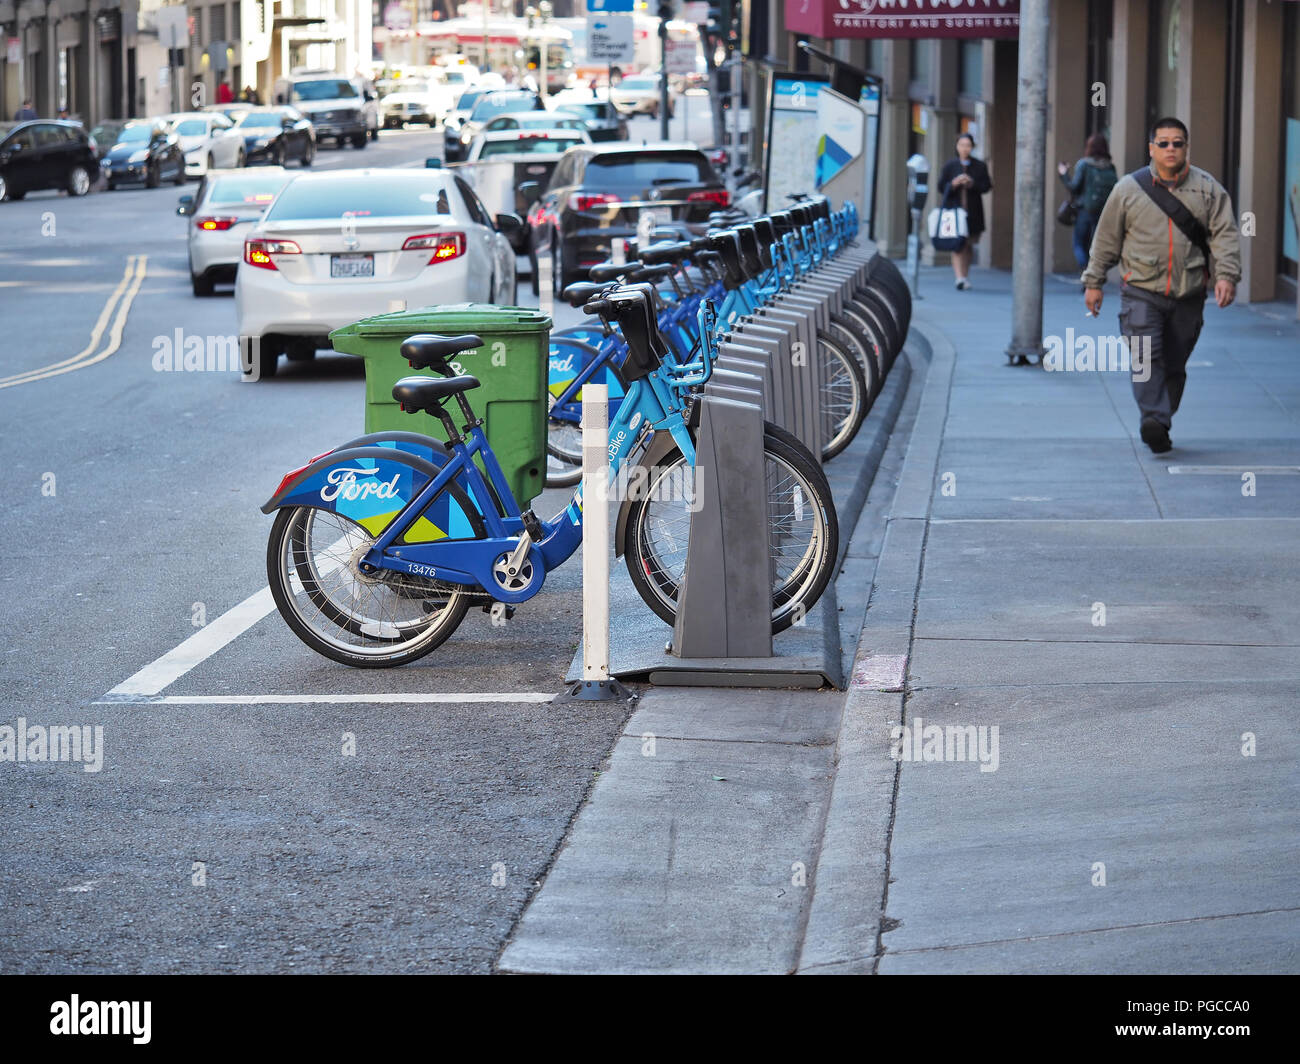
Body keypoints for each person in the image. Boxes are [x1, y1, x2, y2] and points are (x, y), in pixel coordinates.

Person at [1082, 117, 1241, 454]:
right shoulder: (1127, 189)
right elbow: (1106, 238)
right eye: (1164, 143)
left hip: (1189, 294)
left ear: (1186, 147)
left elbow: (1225, 235)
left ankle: (1161, 420)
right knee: (1144, 357)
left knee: (1173, 363)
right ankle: (1153, 418)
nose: (1171, 149)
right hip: (1140, 291)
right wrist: (1093, 281)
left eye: (1178, 143)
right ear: (1151, 148)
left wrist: (1227, 274)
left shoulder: (1208, 189)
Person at [936, 132, 992, 290]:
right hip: (954, 211)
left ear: (972, 147)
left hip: (973, 212)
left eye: (967, 145)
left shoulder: (979, 166)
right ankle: (959, 277)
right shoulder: (950, 166)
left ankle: (965, 275)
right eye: (961, 145)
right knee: (957, 244)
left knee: (968, 245)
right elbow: (940, 186)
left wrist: (971, 183)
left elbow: (987, 186)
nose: (964, 148)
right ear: (957, 146)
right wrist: (953, 184)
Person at [1058, 133, 1118, 271]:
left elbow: (1073, 187)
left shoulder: (1084, 164)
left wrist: (1063, 174)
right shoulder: (1110, 167)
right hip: (1103, 211)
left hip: (1085, 210)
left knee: (1079, 243)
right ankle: (1093, 274)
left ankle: (1086, 271)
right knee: (1096, 245)